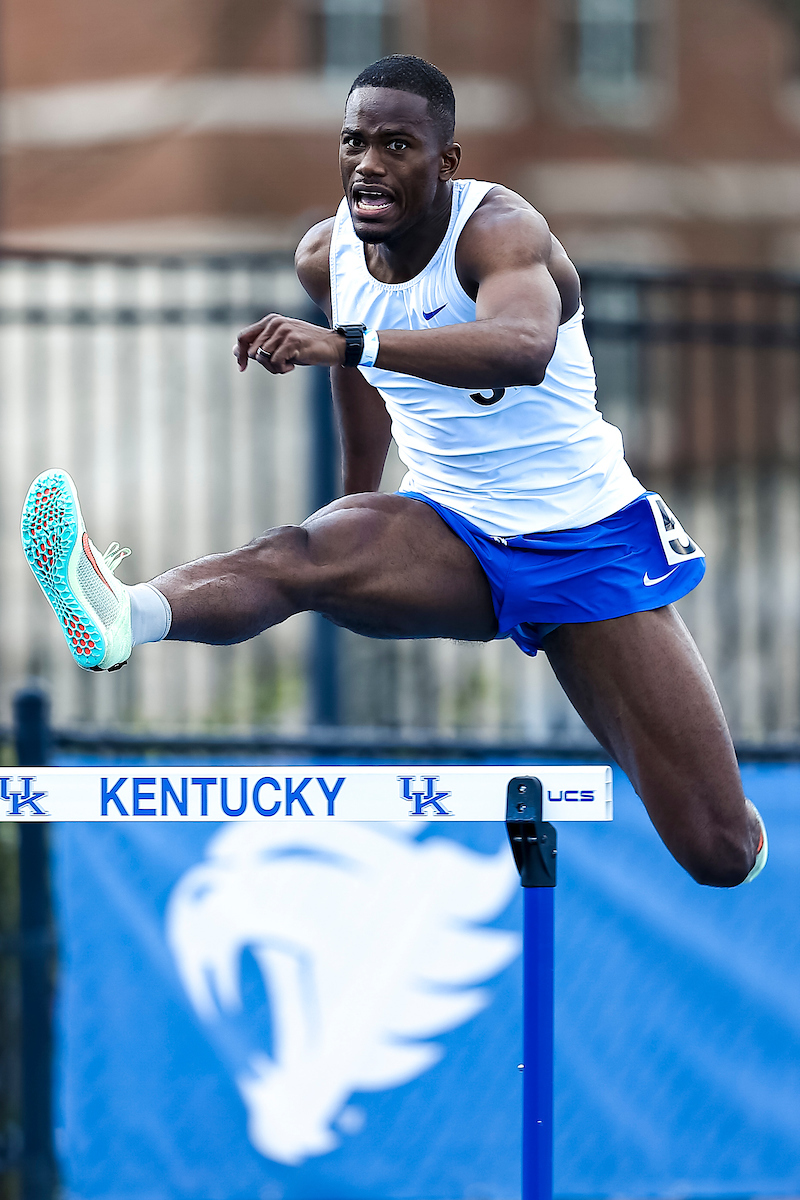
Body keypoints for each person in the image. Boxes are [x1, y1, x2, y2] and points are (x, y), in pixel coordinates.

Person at [21, 55, 766, 887]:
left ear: (446, 162)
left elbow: (520, 349)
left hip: (584, 542)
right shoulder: (326, 257)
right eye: (353, 142)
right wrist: (358, 502)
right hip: (452, 529)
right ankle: (127, 615)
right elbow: (359, 377)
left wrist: (350, 342)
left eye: (397, 145)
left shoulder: (501, 233)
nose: (368, 164)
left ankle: (734, 813)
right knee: (298, 553)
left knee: (718, 853)